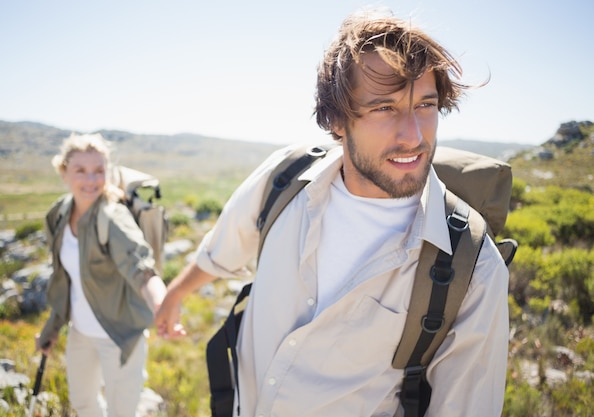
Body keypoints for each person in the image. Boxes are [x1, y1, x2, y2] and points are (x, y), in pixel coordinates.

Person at [155, 8, 509, 417]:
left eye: (425, 105)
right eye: (384, 108)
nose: (414, 136)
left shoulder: (474, 266)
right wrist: (175, 295)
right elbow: (220, 251)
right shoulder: (284, 180)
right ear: (337, 119)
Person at [35, 133, 167, 417]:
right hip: (80, 333)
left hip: (120, 335)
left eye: (98, 171)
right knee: (83, 404)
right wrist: (53, 326)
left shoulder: (113, 216)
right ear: (64, 172)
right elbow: (65, 279)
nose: (91, 180)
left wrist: (161, 303)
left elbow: (141, 266)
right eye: (80, 171)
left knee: (122, 412)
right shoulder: (59, 214)